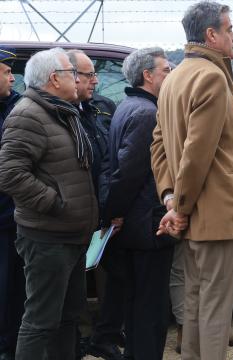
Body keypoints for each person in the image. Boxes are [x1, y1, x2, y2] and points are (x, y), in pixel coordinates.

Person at [150, 2, 233, 359]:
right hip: (215, 215)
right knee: (215, 309)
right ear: (211, 35)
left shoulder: (175, 76)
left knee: (194, 301)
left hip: (191, 212)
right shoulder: (210, 77)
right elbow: (198, 153)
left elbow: (160, 145)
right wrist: (179, 208)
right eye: (228, 29)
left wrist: (170, 200)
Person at [0, 47, 97, 360]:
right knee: (41, 321)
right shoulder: (28, 114)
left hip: (70, 236)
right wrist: (57, 203)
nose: (79, 78)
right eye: (72, 73)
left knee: (68, 317)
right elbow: (10, 173)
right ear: (56, 79)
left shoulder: (60, 111)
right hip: (47, 238)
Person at [103, 47, 176, 359]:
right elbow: (128, 173)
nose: (170, 76)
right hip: (146, 226)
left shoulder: (128, 105)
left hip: (135, 223)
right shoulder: (147, 113)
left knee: (136, 303)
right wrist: (112, 212)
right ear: (147, 76)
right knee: (150, 308)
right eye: (165, 71)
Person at [65, 49, 124, 360]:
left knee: (110, 276)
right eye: (89, 75)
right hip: (73, 213)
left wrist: (112, 208)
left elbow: (112, 158)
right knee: (71, 285)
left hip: (104, 211)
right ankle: (74, 341)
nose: (96, 80)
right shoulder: (61, 112)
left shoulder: (102, 106)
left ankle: (105, 335)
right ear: (69, 77)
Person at [0, 46, 24, 360]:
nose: (11, 78)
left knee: (12, 291)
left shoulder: (15, 107)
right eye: (6, 72)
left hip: (11, 218)